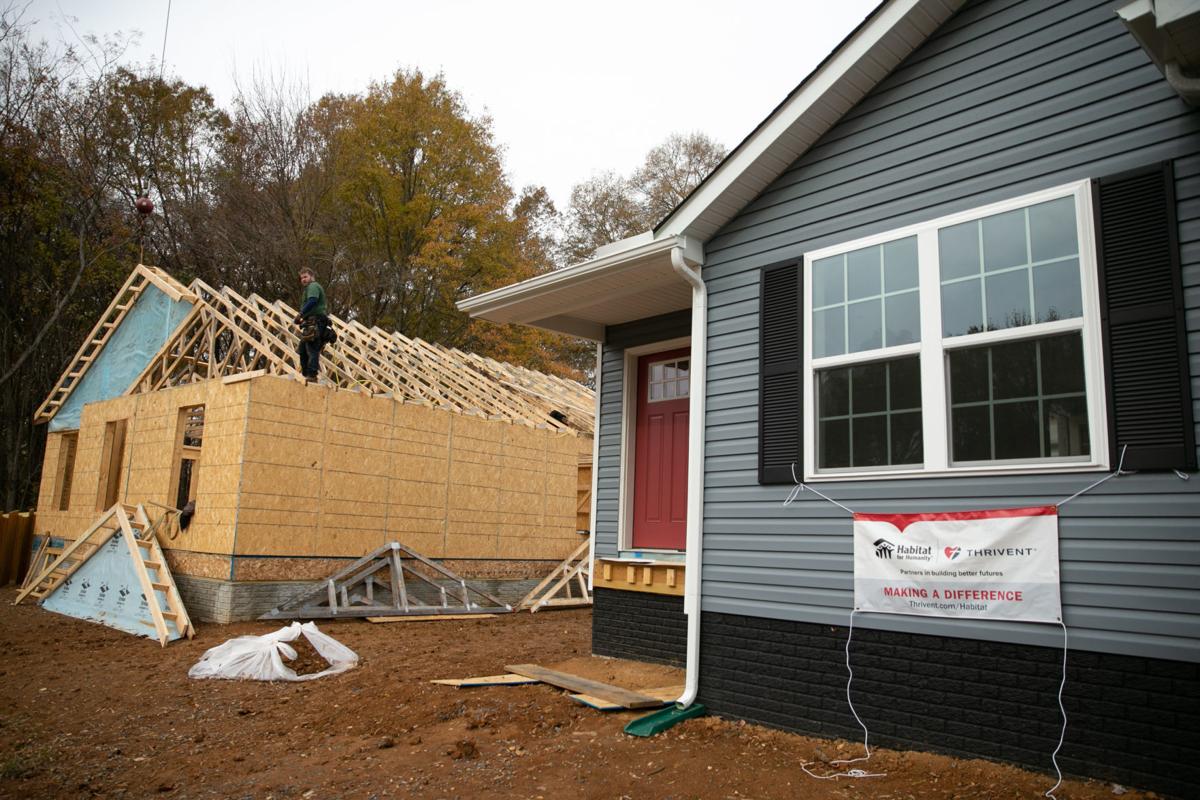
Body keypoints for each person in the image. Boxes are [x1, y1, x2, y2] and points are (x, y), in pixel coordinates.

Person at [295, 267, 329, 381]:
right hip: (310, 321)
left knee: (312, 348)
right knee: (303, 349)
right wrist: (303, 318)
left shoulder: (313, 286)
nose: (303, 280)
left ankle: (312, 376)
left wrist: (301, 313)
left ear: (311, 276)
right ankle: (306, 375)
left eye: (305, 277)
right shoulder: (308, 288)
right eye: (301, 278)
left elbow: (313, 300)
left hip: (316, 321)